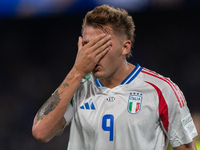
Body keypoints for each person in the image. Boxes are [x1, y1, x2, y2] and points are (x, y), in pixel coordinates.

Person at [32, 5, 198, 150]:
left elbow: (186, 147)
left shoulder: (162, 89)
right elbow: (41, 132)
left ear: (125, 47)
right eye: (87, 46)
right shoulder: (76, 86)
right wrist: (77, 71)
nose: (92, 55)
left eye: (102, 45)